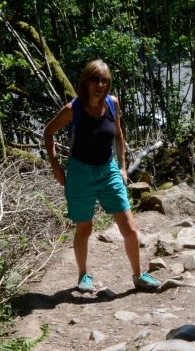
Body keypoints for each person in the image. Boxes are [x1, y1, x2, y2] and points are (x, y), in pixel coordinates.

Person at [44, 59, 161, 293]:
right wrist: (55, 165)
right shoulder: (73, 109)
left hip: (108, 170)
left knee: (130, 228)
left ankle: (138, 275)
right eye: (95, 80)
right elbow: (49, 132)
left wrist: (123, 166)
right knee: (84, 228)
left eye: (105, 81)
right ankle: (83, 275)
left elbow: (118, 134)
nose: (100, 85)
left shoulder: (112, 103)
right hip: (80, 173)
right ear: (86, 82)